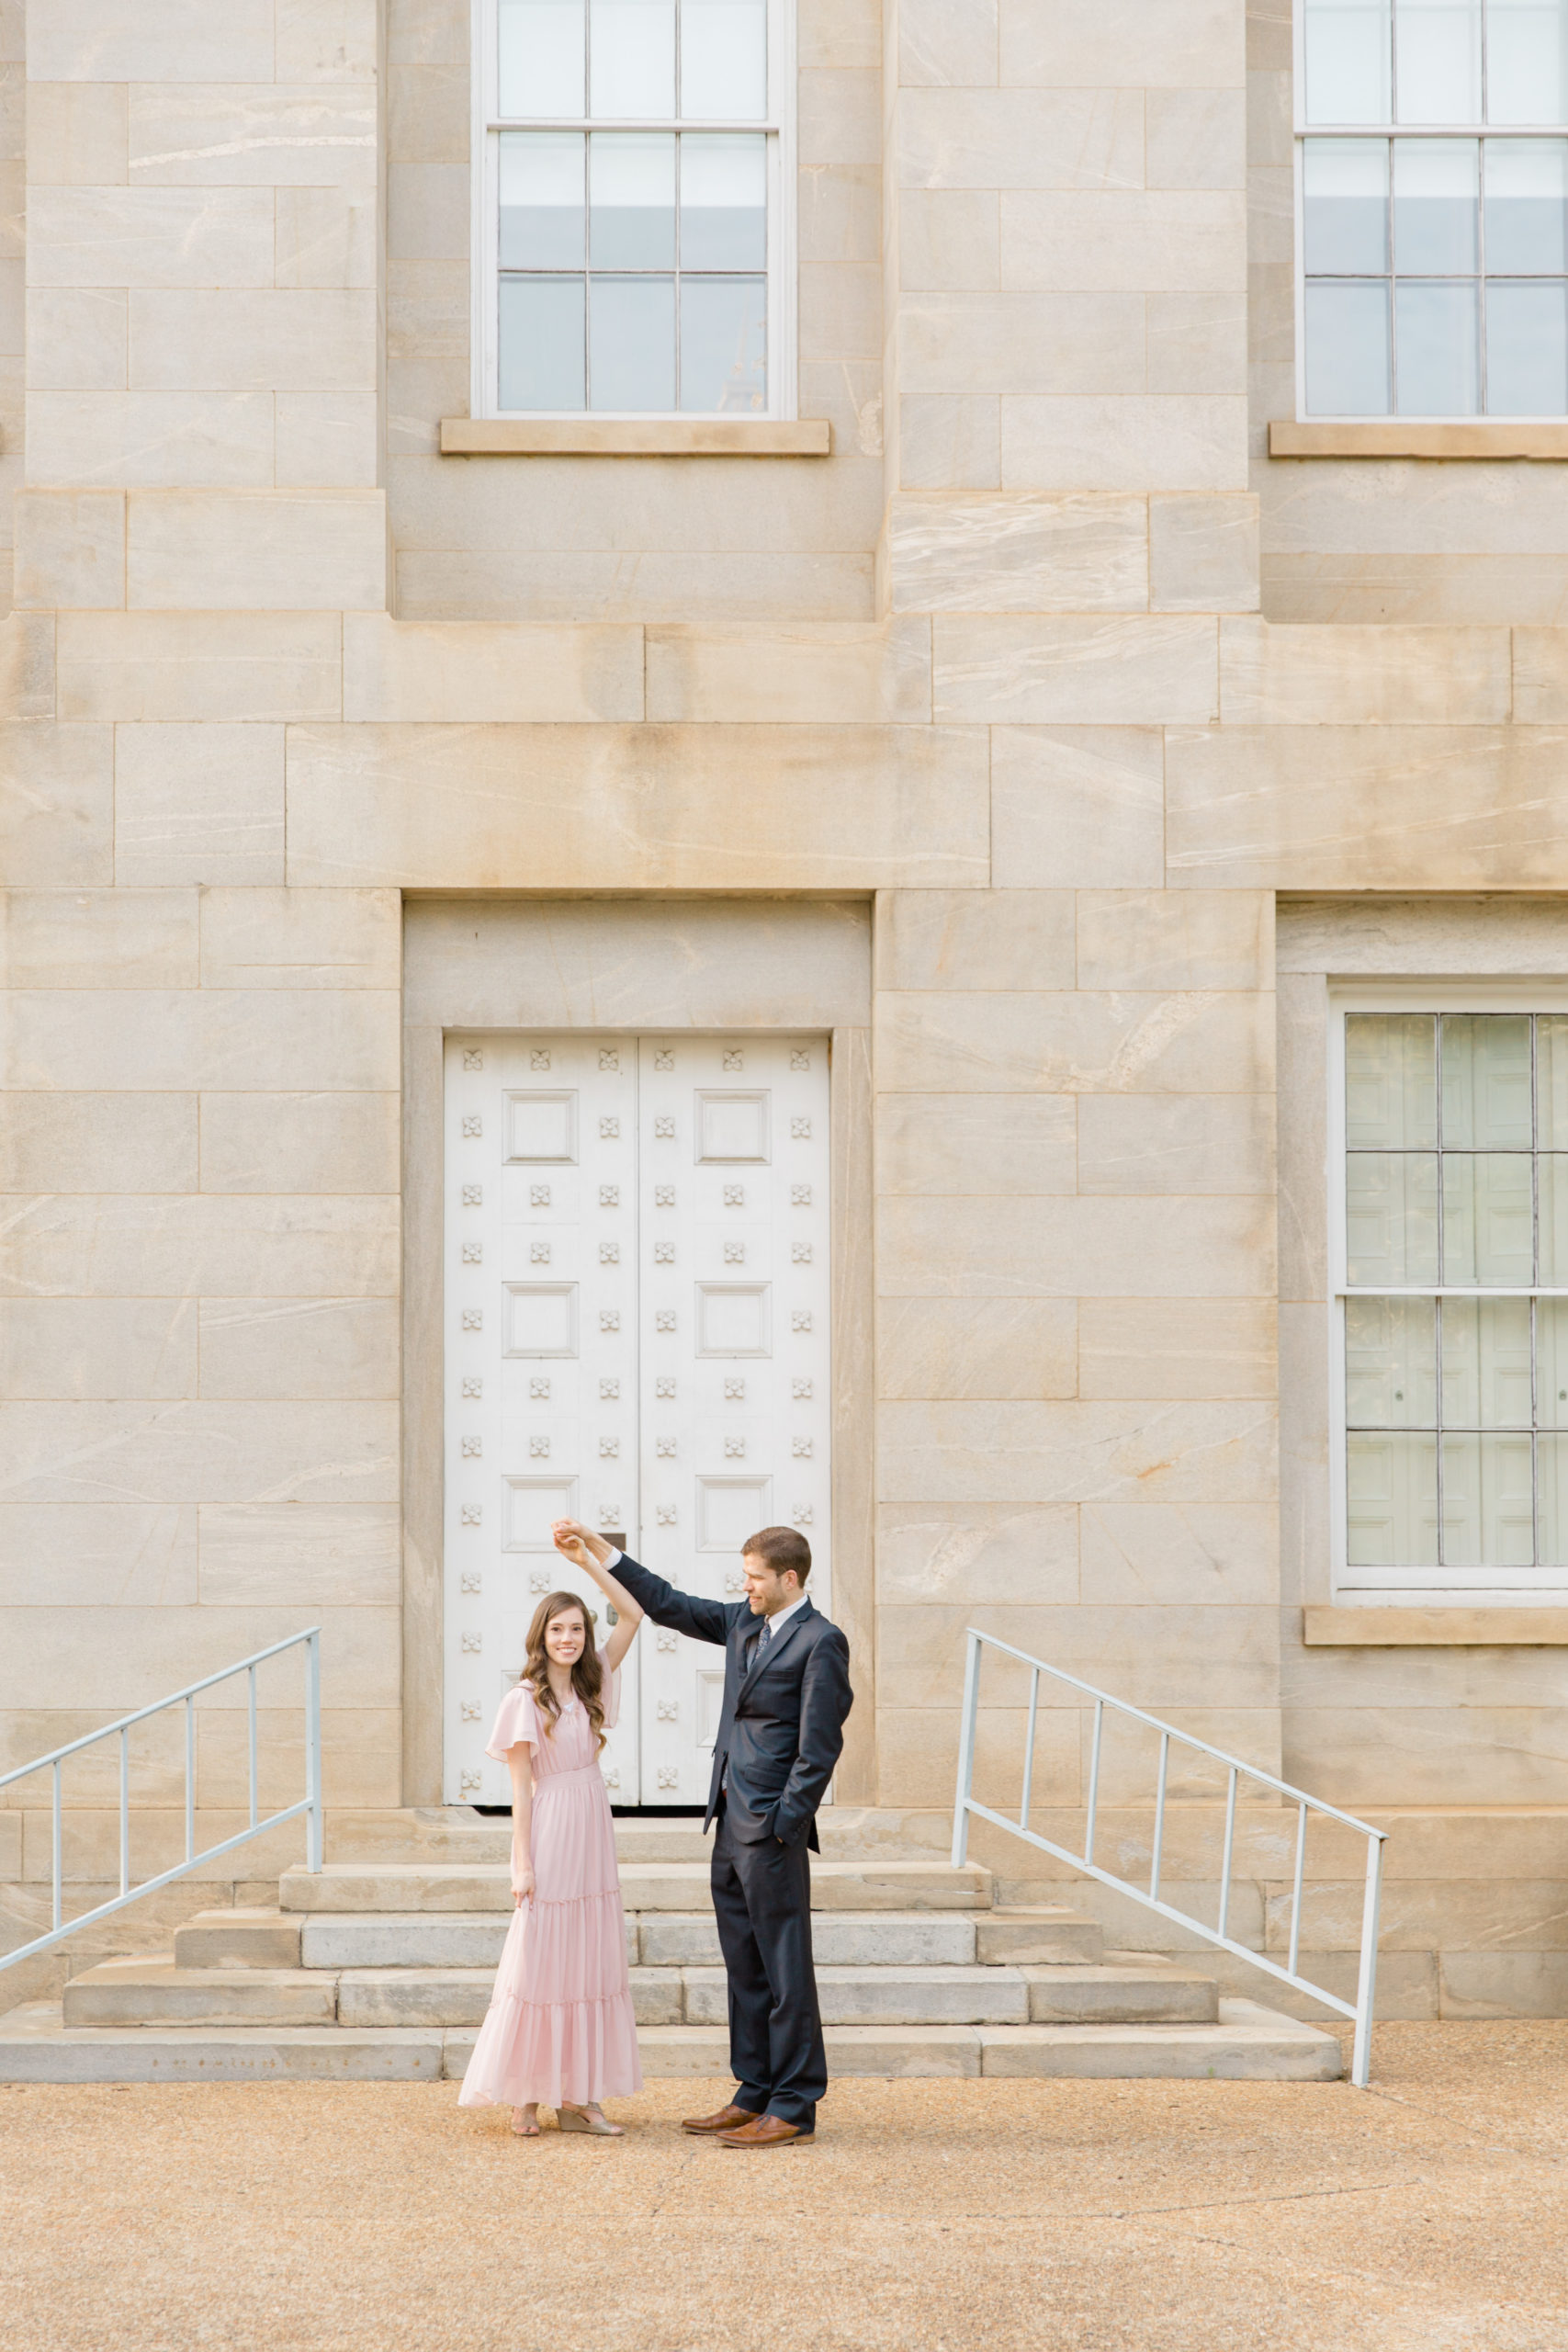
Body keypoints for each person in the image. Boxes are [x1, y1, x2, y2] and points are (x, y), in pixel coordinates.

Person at [554, 1517, 852, 2150]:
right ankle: (753, 2091)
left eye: (754, 1577)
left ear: (788, 1578)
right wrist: (597, 1551)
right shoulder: (744, 1622)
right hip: (727, 1818)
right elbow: (666, 1603)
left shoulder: (821, 1641)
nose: (744, 1586)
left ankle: (794, 2104)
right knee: (745, 1967)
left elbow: (819, 1745)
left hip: (770, 1828)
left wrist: (783, 1822)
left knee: (783, 1969)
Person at [457, 1571, 645, 2138]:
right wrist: (522, 1863)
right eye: (559, 1629)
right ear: (540, 1636)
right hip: (552, 1827)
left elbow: (633, 1615)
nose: (570, 1638)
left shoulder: (593, 1683)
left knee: (589, 1960)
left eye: (579, 1629)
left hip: (593, 1827)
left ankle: (578, 2099)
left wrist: (592, 1562)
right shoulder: (522, 1700)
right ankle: (525, 2097)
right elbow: (520, 1790)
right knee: (540, 1961)